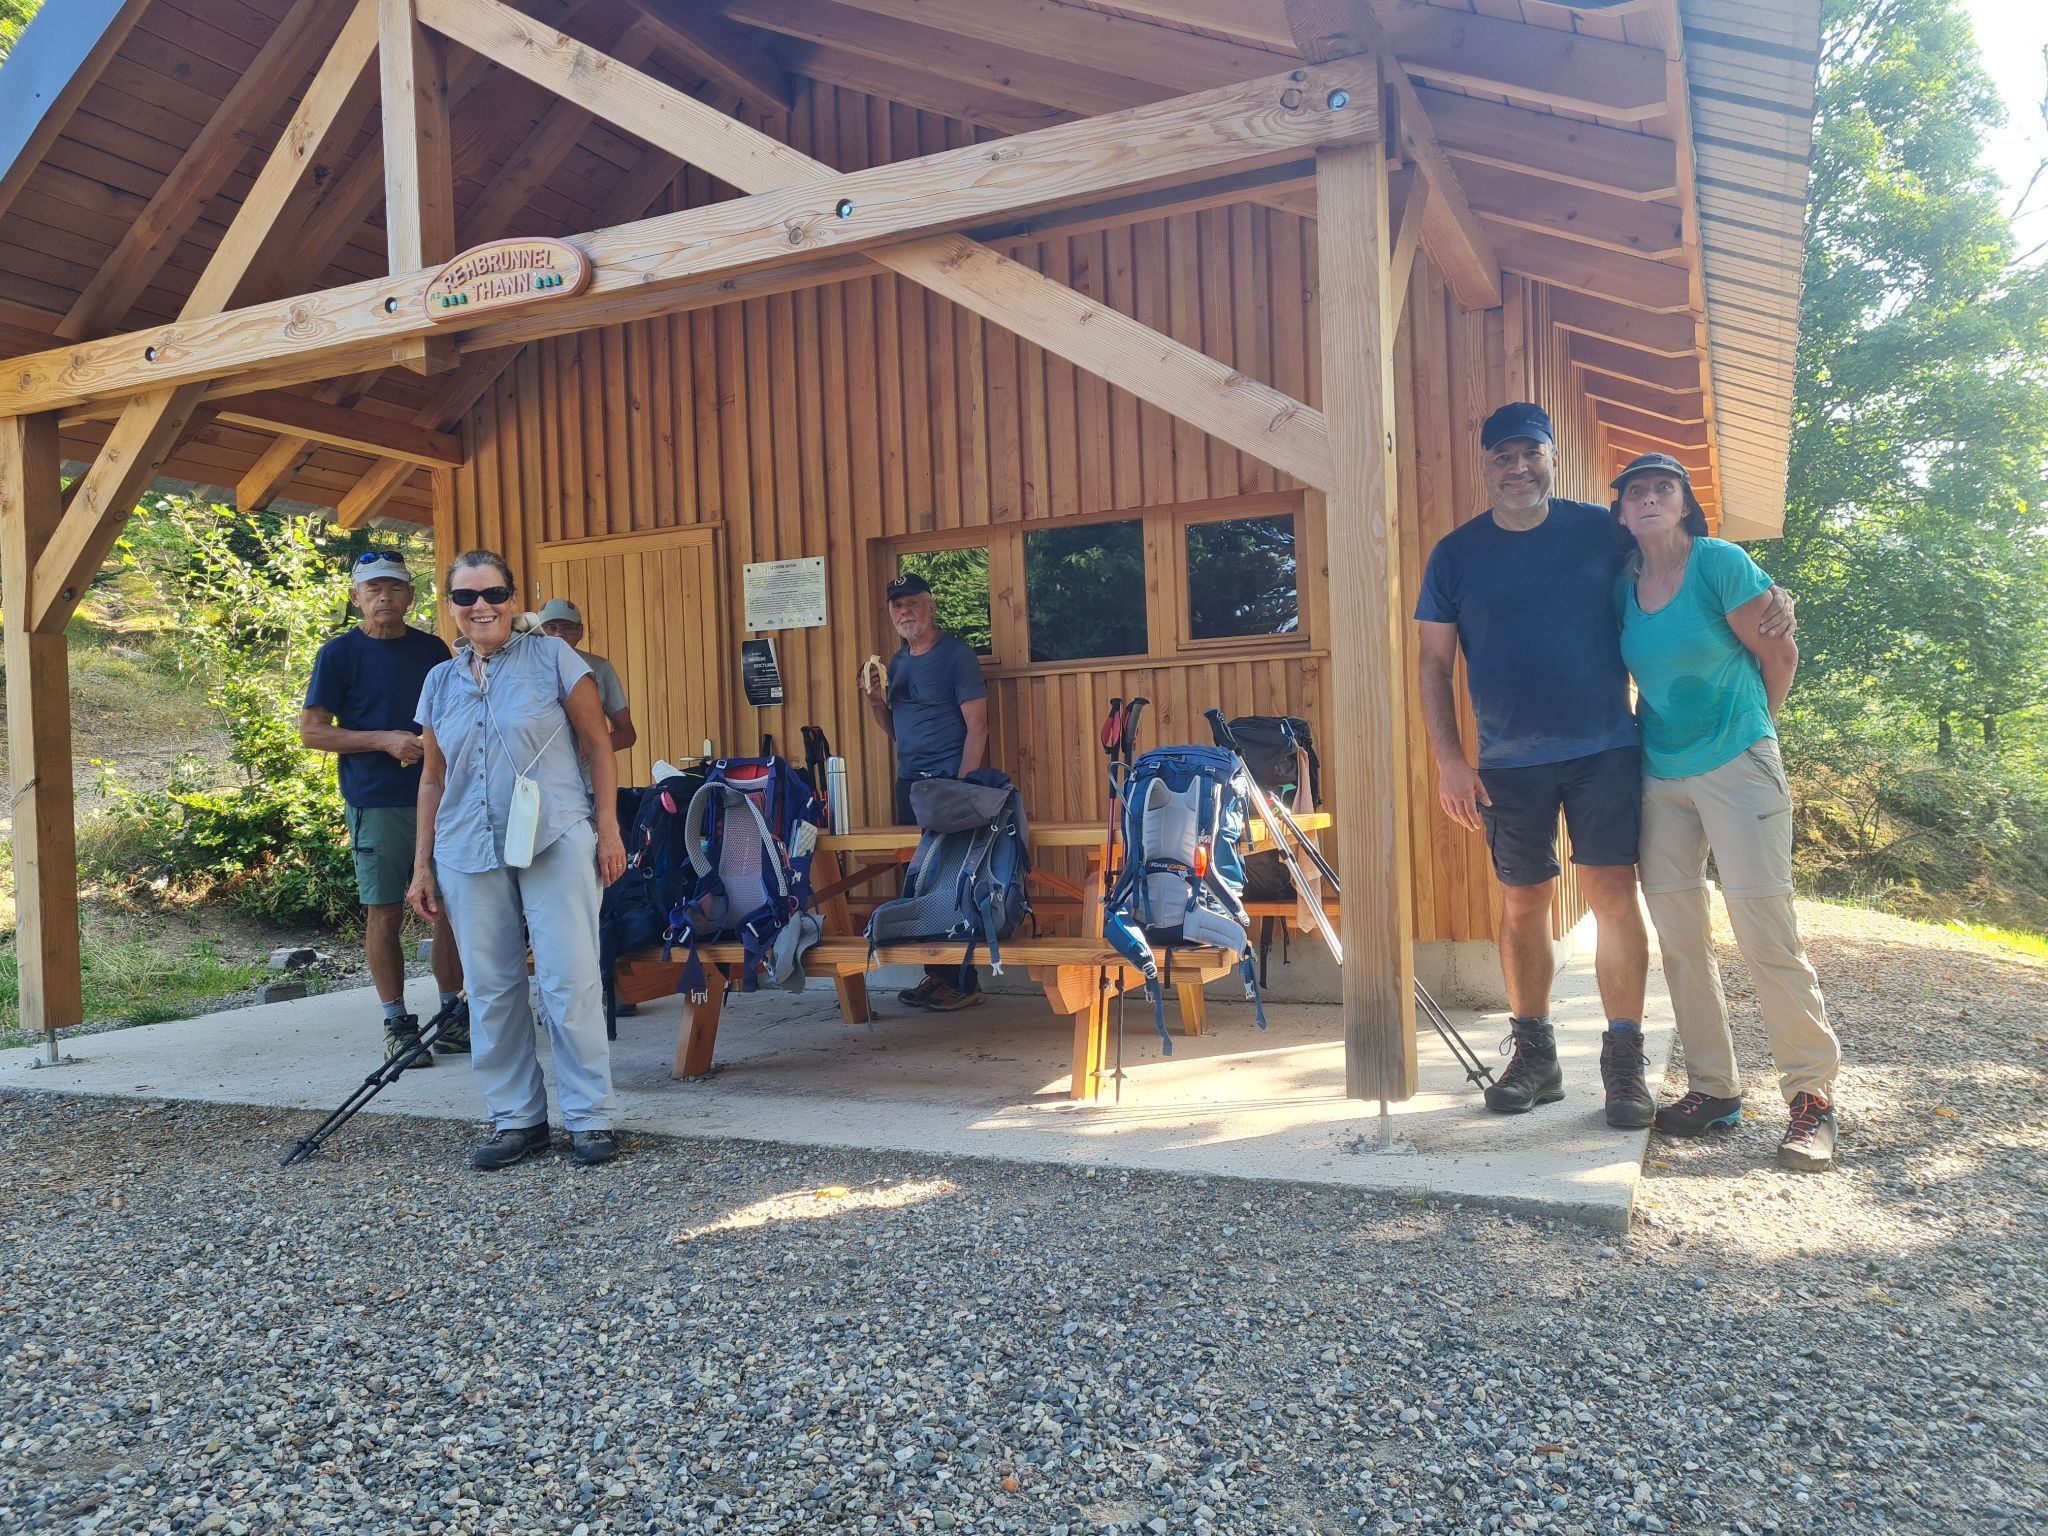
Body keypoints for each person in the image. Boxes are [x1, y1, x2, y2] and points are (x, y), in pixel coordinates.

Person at [1414, 403, 1795, 1127]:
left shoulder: (1601, 527)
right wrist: (1449, 759)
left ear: (1552, 458)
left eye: (1531, 453)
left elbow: (1680, 559)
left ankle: (1624, 1066)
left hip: (1608, 749)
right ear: (1485, 466)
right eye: (1503, 456)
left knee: (1613, 897)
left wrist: (1774, 599)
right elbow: (1434, 663)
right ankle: (1536, 1059)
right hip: (1507, 761)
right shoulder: (1455, 554)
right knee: (1523, 903)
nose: (1518, 468)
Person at [1611, 453, 1841, 1171]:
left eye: (1664, 488)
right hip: (1659, 773)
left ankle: (1812, 1099)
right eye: (1636, 491)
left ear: (1684, 504)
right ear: (1622, 512)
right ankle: (1714, 1090)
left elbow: (1781, 656)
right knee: (1680, 938)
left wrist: (1751, 736)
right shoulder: (1622, 585)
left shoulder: (1719, 563)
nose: (1650, 498)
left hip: (1738, 763)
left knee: (1765, 932)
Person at [406, 551, 628, 1169]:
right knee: (490, 988)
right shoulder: (439, 681)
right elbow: (432, 778)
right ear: (450, 605)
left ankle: (589, 1115)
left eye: (494, 594)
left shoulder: (554, 657)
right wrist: (422, 865)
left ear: (512, 598)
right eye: (466, 596)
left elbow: (599, 745)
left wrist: (608, 831)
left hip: (555, 833)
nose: (481, 606)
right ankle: (516, 1119)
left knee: (568, 979)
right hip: (466, 846)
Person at [301, 550, 468, 1065]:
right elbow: (312, 732)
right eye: (373, 589)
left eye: (394, 588)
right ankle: (397, 1023)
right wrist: (384, 740)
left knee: (452, 908)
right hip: (377, 800)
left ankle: (452, 1016)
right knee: (386, 910)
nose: (384, 598)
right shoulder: (339, 654)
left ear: (410, 596)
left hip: (445, 796)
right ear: (356, 598)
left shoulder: (432, 649)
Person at [860, 570, 990, 1012]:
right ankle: (936, 975)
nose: (905, 612)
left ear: (931, 607)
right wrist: (875, 701)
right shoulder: (896, 663)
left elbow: (978, 725)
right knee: (918, 881)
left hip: (947, 783)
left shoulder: (956, 655)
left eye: (913, 603)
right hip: (910, 784)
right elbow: (896, 730)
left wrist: (963, 787)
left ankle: (964, 981)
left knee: (951, 881)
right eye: (897, 606)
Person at [535, 598, 637, 782]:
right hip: (535, 785)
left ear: (580, 631)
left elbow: (627, 734)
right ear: (536, 633)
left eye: (567, 627)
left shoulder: (600, 668)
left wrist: (591, 748)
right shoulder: (522, 671)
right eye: (550, 627)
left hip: (588, 786)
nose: (558, 634)